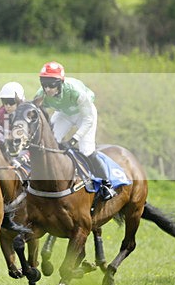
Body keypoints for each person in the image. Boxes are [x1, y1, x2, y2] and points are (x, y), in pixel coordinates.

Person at [34, 61, 116, 200]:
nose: (47, 89)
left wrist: (73, 140)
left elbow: (88, 119)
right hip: (63, 114)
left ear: (60, 82)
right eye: (44, 83)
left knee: (86, 150)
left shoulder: (75, 91)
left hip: (85, 115)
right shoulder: (41, 94)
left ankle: (107, 184)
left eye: (52, 84)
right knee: (49, 144)